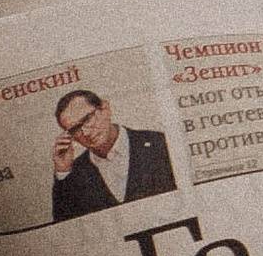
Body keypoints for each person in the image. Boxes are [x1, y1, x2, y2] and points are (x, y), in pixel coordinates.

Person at [50, 87, 176, 222]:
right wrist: (63, 172)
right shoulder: (73, 175)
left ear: (105, 109)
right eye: (74, 129)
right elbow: (65, 227)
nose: (85, 132)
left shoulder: (160, 143)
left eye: (87, 119)